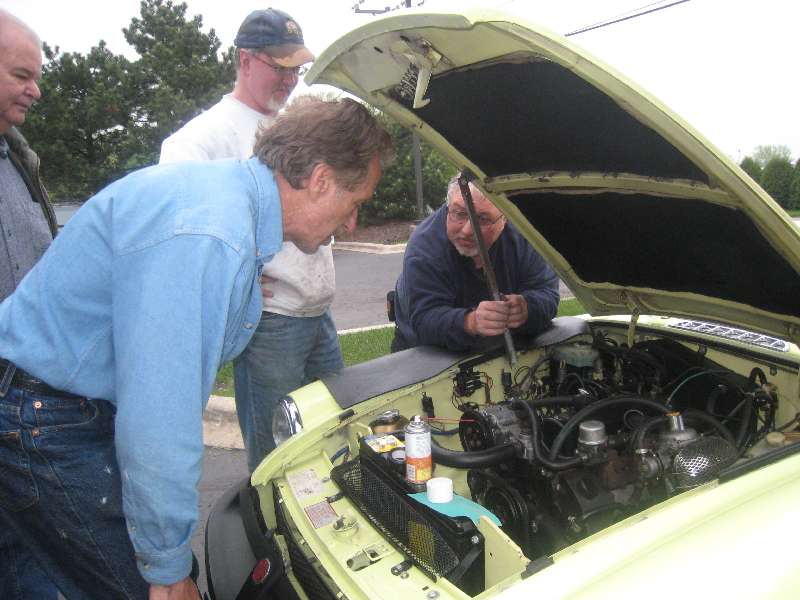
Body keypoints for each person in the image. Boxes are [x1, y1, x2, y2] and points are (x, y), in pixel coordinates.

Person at [0, 96, 393, 600]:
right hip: (44, 417)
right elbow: (160, 416)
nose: (352, 223)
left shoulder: (225, 203)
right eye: (355, 202)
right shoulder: (211, 234)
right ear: (320, 179)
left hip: (31, 402)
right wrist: (166, 568)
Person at [160, 8, 343, 472]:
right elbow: (176, 224)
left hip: (318, 312)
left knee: (334, 438)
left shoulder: (295, 126)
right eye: (279, 67)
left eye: (296, 69)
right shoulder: (205, 137)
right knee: (276, 458)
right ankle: (272, 521)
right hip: (270, 324)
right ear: (245, 59)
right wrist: (231, 279)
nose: (290, 80)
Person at [0, 10, 63, 600]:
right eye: (22, 75)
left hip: (22, 396)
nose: (36, 90)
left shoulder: (18, 157)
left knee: (25, 551)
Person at [392, 176, 560, 352]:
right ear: (448, 206)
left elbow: (547, 294)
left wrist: (527, 309)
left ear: (505, 218)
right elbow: (424, 320)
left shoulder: (525, 236)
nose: (467, 230)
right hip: (423, 354)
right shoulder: (425, 246)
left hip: (505, 348)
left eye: (483, 219)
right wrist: (471, 322)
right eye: (459, 213)